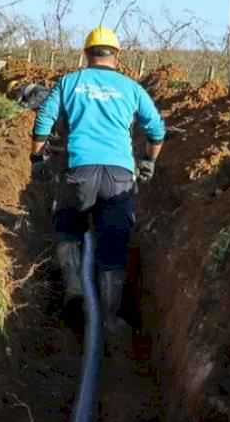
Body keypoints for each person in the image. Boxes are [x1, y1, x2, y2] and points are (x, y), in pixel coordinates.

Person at [30, 25, 166, 334]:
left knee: (68, 227)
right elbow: (157, 130)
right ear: (117, 56)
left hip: (78, 169)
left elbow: (43, 120)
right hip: (119, 175)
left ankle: (75, 288)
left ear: (86, 54)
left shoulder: (70, 82)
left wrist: (37, 159)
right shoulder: (132, 88)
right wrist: (149, 162)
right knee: (113, 245)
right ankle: (109, 318)